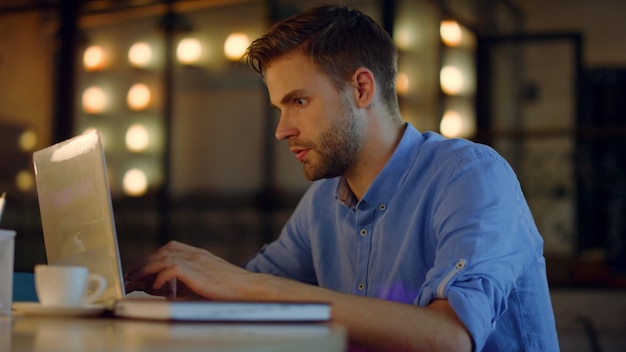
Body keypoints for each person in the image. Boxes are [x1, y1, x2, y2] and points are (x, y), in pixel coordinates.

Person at [125, 4, 560, 351]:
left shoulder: (470, 175)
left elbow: (449, 338)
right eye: (281, 108)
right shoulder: (322, 202)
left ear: (362, 89)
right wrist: (147, 290)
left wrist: (246, 284)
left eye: (298, 101)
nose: (282, 130)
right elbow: (242, 298)